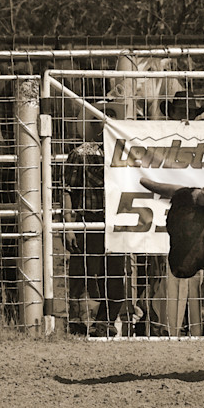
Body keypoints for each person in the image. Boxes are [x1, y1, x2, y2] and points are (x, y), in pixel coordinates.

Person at [61, 115, 127, 337]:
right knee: (86, 272)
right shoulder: (81, 153)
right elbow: (68, 190)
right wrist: (69, 226)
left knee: (114, 272)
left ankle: (104, 321)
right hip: (89, 219)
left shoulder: (125, 149)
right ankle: (81, 320)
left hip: (116, 219)